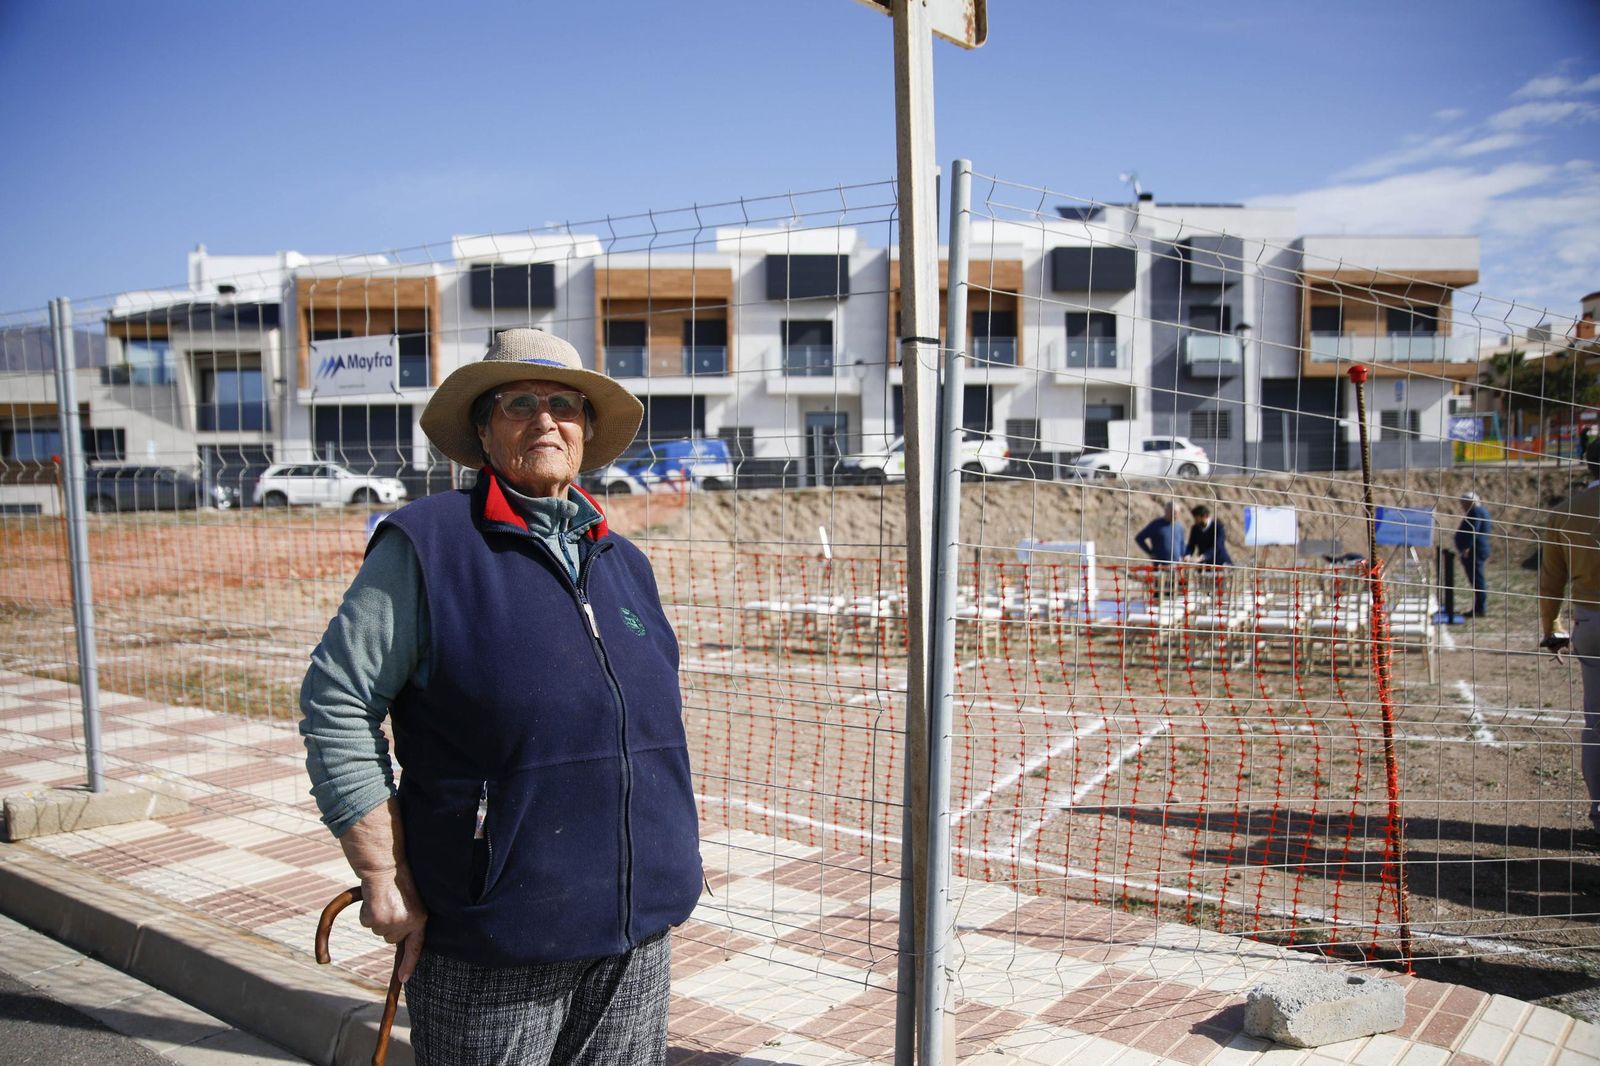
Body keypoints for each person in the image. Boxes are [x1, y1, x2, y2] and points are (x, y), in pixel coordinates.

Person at [299, 328, 702, 1065]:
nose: (545, 420)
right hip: (492, 938)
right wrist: (383, 875)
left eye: (564, 405)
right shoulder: (428, 546)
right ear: (484, 431)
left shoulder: (623, 561)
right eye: (520, 403)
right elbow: (336, 700)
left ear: (585, 430)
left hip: (636, 934)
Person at [1539, 439, 1600, 843]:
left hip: (1591, 619)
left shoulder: (1566, 514)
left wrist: (1551, 628)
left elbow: (1550, 580)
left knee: (1596, 722)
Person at [1454, 491, 1493, 617]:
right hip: (1477, 550)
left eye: (1463, 504)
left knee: (1477, 580)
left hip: (1474, 551)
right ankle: (1479, 607)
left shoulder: (1475, 512)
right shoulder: (1482, 511)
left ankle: (1480, 609)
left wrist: (1466, 547)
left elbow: (1473, 530)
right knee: (1477, 580)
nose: (1462, 507)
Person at [1135, 499, 1187, 566]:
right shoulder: (1156, 525)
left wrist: (1184, 555)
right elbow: (1139, 538)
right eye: (1173, 513)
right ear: (1166, 511)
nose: (1175, 515)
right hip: (1160, 566)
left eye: (1177, 513)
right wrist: (1150, 553)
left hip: (1176, 565)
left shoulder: (1179, 526)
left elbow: (1182, 543)